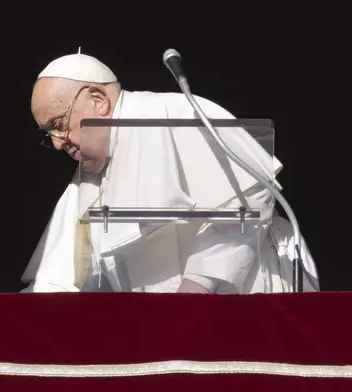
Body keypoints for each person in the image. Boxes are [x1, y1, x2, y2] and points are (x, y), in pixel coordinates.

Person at [21, 51, 319, 294]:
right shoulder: (87, 175)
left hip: (234, 299)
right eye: (48, 134)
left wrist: (199, 284)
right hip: (158, 327)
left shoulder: (173, 113)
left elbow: (250, 192)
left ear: (98, 100)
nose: (57, 143)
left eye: (58, 124)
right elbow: (62, 273)